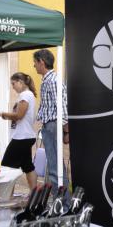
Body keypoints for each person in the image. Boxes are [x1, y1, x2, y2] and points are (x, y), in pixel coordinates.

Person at [33, 49, 69, 190]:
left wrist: (66, 131)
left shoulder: (53, 80)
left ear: (41, 62)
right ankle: (61, 199)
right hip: (50, 125)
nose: (34, 66)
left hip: (53, 125)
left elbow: (62, 107)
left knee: (55, 167)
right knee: (55, 167)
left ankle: (63, 201)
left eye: (35, 62)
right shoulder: (49, 79)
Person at [0, 72, 38, 189]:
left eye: (13, 84)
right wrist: (7, 116)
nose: (13, 87)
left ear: (20, 82)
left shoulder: (25, 95)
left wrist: (2, 113)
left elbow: (19, 115)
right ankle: (33, 195)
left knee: (6, 167)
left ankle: (5, 196)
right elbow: (18, 116)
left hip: (22, 138)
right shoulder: (26, 95)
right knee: (28, 166)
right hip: (25, 137)